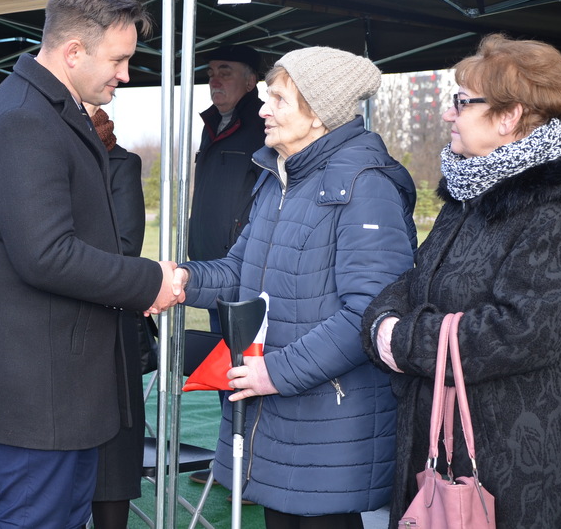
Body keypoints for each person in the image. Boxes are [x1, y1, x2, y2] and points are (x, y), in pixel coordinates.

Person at [0, 0, 181, 529]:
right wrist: (149, 282)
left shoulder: (50, 109)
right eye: (118, 60)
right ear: (73, 52)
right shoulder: (25, 118)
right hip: (35, 385)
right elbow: (45, 254)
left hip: (58, 382)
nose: (124, 73)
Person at [361, 33, 561, 528]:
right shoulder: (470, 194)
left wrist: (395, 337)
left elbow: (516, 332)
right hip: (442, 449)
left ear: (509, 116)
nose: (448, 114)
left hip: (522, 467)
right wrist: (383, 320)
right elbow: (414, 281)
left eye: (462, 102)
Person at [172, 46, 417, 528]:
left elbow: (368, 313)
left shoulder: (365, 185)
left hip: (331, 419)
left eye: (278, 99)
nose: (263, 110)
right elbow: (237, 269)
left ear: (319, 112)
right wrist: (182, 279)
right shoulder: (279, 178)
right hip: (279, 413)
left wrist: (274, 374)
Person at [86, 104, 148, 529]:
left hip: (109, 324)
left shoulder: (122, 163)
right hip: (54, 324)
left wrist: (63, 261)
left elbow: (126, 246)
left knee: (112, 460)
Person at [188, 44, 266, 335]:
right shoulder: (211, 125)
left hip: (243, 267)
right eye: (210, 73)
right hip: (210, 264)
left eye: (225, 72)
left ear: (250, 81)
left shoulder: (265, 126)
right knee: (219, 357)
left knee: (243, 357)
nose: (214, 80)